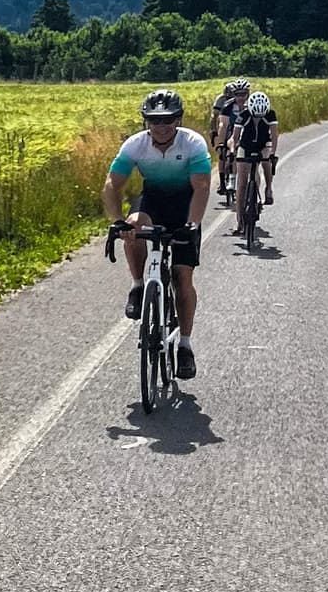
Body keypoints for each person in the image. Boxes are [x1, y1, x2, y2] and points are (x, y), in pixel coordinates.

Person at [104, 89, 213, 379]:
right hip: (152, 201)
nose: (161, 126)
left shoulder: (192, 143)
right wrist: (117, 222)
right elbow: (112, 185)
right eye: (155, 120)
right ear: (146, 122)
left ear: (178, 120)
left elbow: (201, 187)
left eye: (168, 120)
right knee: (133, 225)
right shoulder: (135, 145)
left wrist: (192, 225)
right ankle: (139, 284)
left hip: (185, 208)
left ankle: (186, 347)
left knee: (181, 276)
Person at [232, 87, 279, 220]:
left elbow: (274, 135)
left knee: (266, 160)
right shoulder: (244, 115)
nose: (258, 119)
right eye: (255, 116)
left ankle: (268, 188)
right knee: (241, 183)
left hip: (263, 144)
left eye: (261, 116)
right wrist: (231, 151)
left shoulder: (271, 114)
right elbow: (234, 138)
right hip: (246, 145)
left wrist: (273, 153)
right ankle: (240, 221)